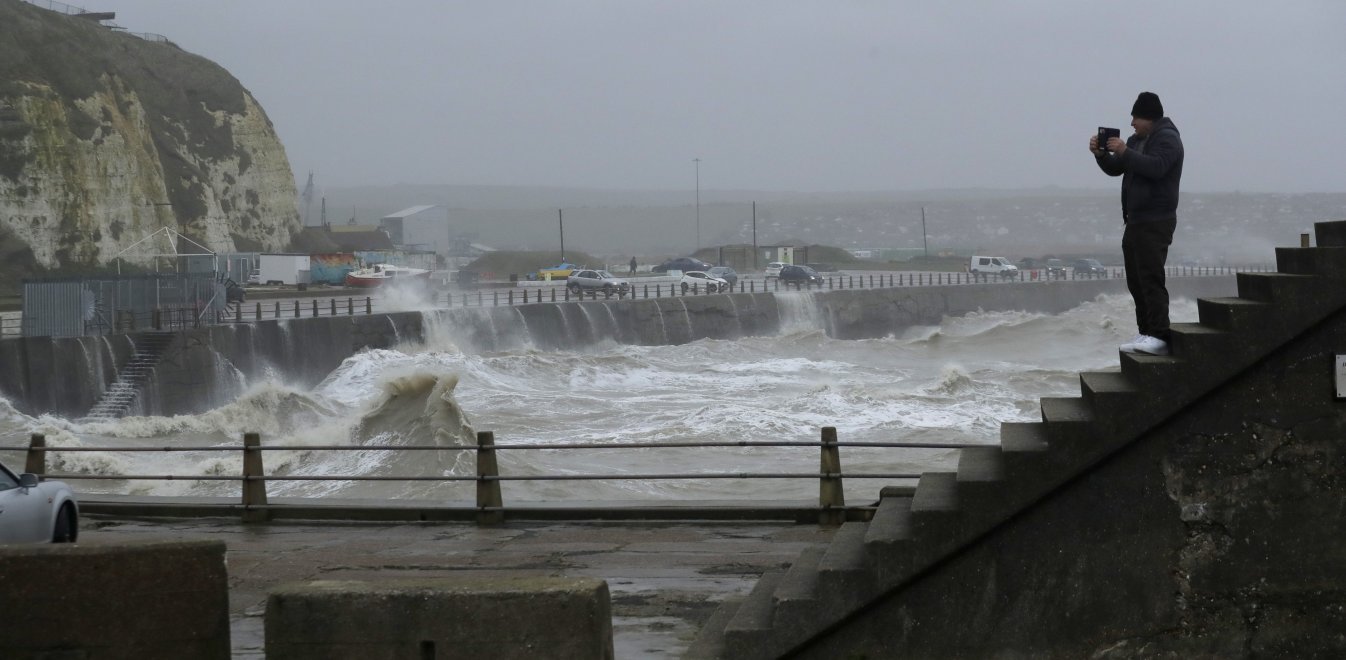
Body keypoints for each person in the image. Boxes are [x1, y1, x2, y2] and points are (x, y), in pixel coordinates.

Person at [1090, 91, 1184, 356]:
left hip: (1156, 220)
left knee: (1151, 278)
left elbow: (1156, 168)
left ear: (1149, 118)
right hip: (1135, 221)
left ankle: (1160, 335)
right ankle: (1145, 332)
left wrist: (1125, 151)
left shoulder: (1168, 139)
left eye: (1136, 117)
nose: (1131, 123)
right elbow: (1117, 168)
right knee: (1136, 281)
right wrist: (1101, 155)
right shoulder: (1136, 140)